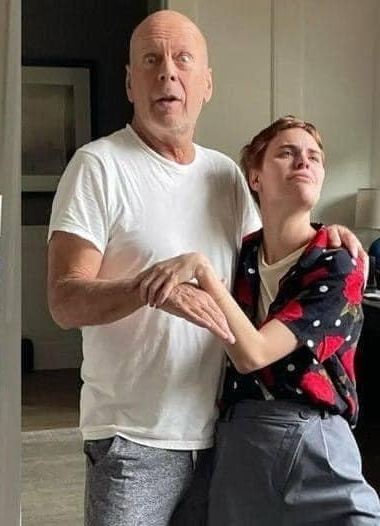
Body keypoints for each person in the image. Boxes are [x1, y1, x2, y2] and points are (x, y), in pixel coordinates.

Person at [46, 10, 363, 526]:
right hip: (135, 440)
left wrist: (331, 234)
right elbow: (64, 300)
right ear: (130, 82)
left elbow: (271, 255)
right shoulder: (98, 166)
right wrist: (150, 289)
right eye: (151, 60)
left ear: (207, 84)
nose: (167, 72)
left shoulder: (226, 176)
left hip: (225, 435)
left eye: (183, 59)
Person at [145, 117, 380, 524]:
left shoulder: (339, 263)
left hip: (314, 437)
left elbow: (252, 354)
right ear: (255, 177)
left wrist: (201, 270)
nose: (303, 162)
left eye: (314, 157)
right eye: (287, 153)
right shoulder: (238, 256)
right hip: (241, 436)